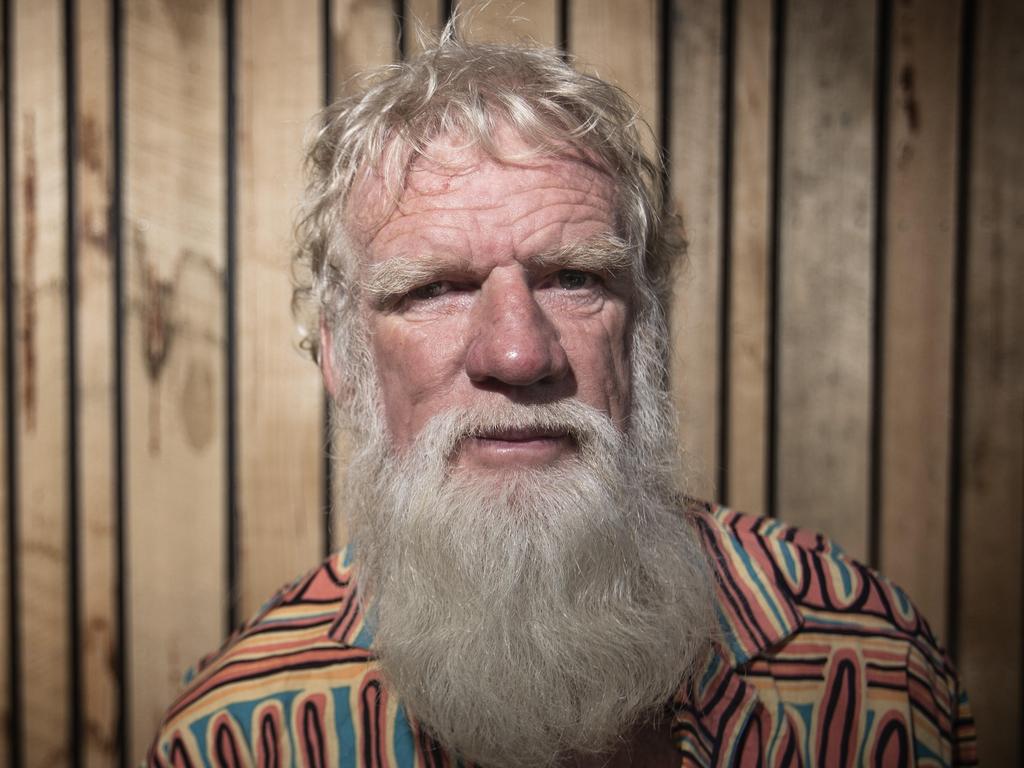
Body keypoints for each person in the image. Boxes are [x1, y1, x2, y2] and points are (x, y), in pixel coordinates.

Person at [147, 28, 977, 768]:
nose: (517, 351)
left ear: (644, 331)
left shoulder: (873, 669)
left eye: (576, 277)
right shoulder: (243, 736)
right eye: (433, 288)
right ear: (343, 358)